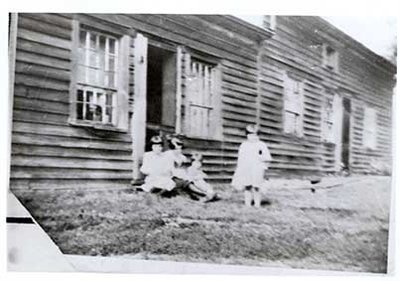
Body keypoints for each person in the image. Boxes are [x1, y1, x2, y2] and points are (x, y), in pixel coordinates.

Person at [231, 124, 272, 208]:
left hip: (257, 168)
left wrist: (262, 160)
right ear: (247, 135)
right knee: (247, 186)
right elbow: (241, 158)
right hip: (246, 168)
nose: (252, 137)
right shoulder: (244, 145)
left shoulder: (261, 145)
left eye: (255, 135)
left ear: (258, 136)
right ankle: (248, 204)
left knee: (256, 186)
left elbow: (267, 157)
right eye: (250, 135)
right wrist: (239, 169)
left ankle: (257, 204)